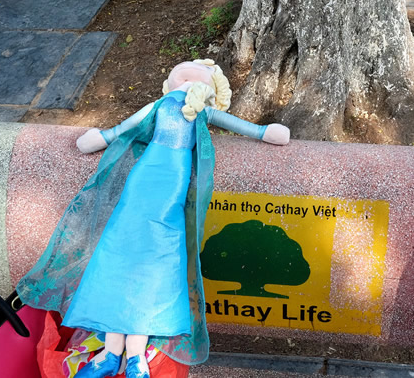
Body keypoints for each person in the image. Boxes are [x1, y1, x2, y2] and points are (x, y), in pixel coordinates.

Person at [17, 60, 290, 378]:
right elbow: (128, 127)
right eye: (184, 78)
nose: (188, 83)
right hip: (144, 180)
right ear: (174, 81)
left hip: (171, 185)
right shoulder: (162, 104)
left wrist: (264, 132)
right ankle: (111, 353)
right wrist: (103, 137)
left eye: (194, 79)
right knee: (121, 255)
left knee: (156, 262)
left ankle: (133, 357)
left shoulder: (201, 110)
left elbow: (244, 127)